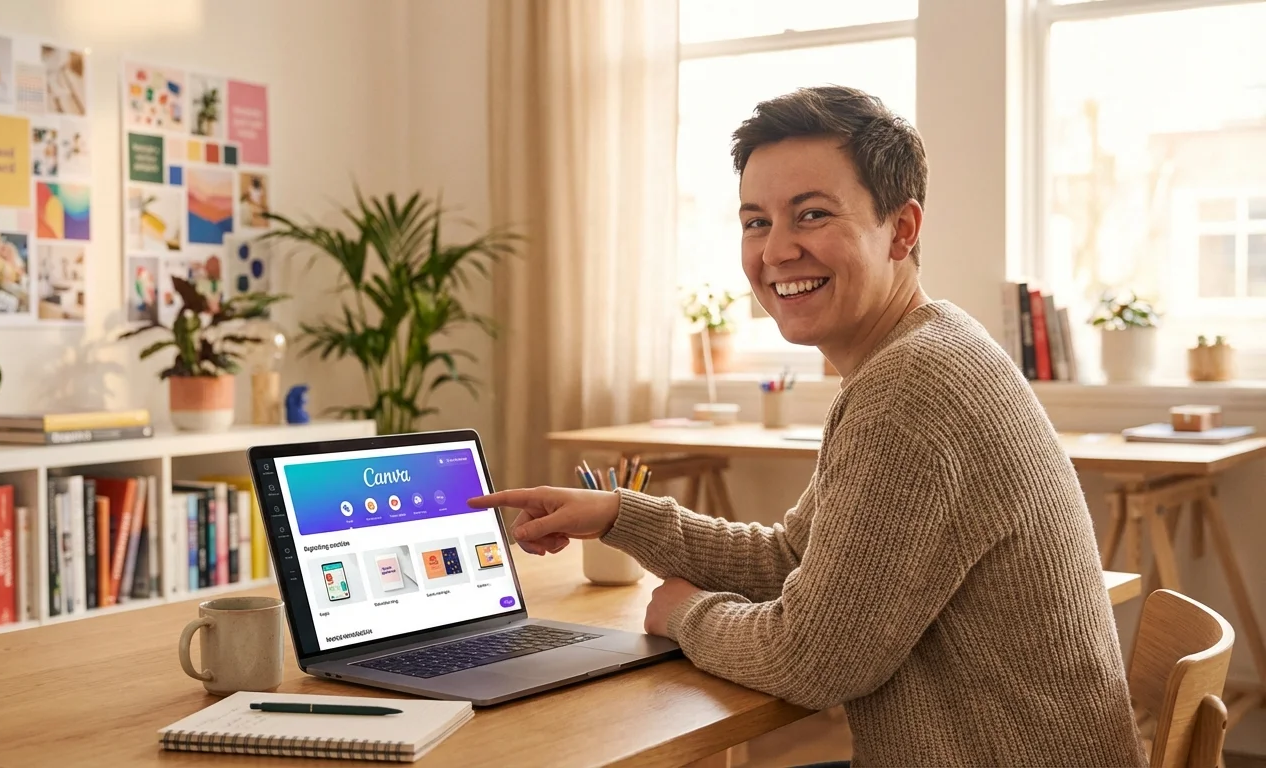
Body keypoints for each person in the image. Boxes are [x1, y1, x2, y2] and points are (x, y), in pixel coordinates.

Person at [468, 86, 1146, 766]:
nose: (777, 251)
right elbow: (791, 561)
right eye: (756, 221)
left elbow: (813, 661)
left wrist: (681, 613)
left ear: (902, 229)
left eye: (812, 215)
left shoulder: (912, 389)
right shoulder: (921, 351)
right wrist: (618, 514)